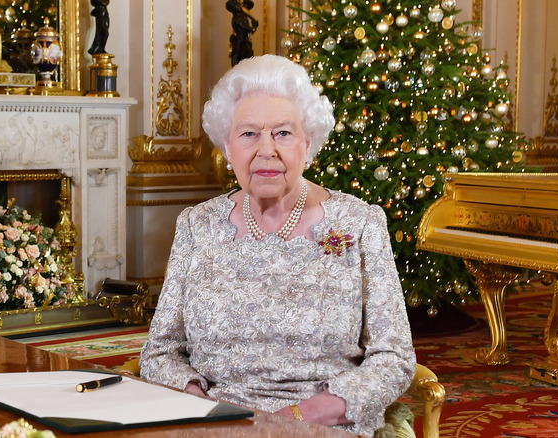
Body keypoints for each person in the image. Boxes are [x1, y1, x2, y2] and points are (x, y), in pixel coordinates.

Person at [140, 54, 416, 437]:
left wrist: (299, 418)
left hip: (321, 425)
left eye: (283, 133)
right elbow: (160, 352)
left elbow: (394, 358)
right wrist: (199, 406)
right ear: (227, 145)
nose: (266, 150)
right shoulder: (196, 224)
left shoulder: (360, 223)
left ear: (308, 142)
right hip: (216, 422)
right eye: (249, 133)